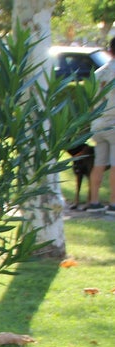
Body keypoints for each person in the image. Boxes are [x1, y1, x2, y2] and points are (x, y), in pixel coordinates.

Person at [85, 36, 115, 214]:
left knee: (99, 163)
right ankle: (113, 203)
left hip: (98, 122)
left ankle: (94, 202)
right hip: (114, 122)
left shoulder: (98, 74)